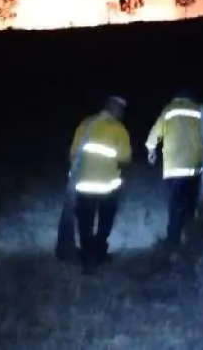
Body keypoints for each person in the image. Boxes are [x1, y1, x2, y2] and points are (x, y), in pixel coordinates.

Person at [60, 95, 132, 273]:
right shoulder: (118, 129)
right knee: (105, 221)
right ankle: (99, 252)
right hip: (108, 186)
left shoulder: (85, 124)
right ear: (114, 109)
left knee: (85, 223)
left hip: (84, 185)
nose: (122, 114)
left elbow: (73, 153)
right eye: (121, 110)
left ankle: (87, 257)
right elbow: (125, 157)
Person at [145, 89, 203, 248]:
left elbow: (155, 133)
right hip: (194, 167)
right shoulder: (200, 111)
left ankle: (173, 240)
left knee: (175, 204)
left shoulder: (169, 109)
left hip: (173, 168)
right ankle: (190, 238)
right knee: (190, 203)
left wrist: (151, 150)